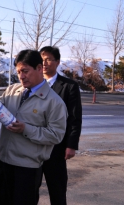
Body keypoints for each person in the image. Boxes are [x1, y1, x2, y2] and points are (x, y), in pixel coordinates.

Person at [0, 49, 67, 205]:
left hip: (27, 169)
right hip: (3, 163)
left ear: (39, 68)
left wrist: (26, 129)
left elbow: (56, 135)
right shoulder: (12, 91)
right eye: (18, 72)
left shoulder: (54, 102)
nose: (21, 76)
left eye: (25, 71)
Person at [39, 46, 83, 205]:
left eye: (48, 59)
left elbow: (75, 118)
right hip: (33, 146)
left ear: (57, 62)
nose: (44, 63)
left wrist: (71, 145)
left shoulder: (69, 86)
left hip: (56, 147)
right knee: (29, 191)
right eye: (41, 59)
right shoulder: (32, 83)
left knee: (57, 191)